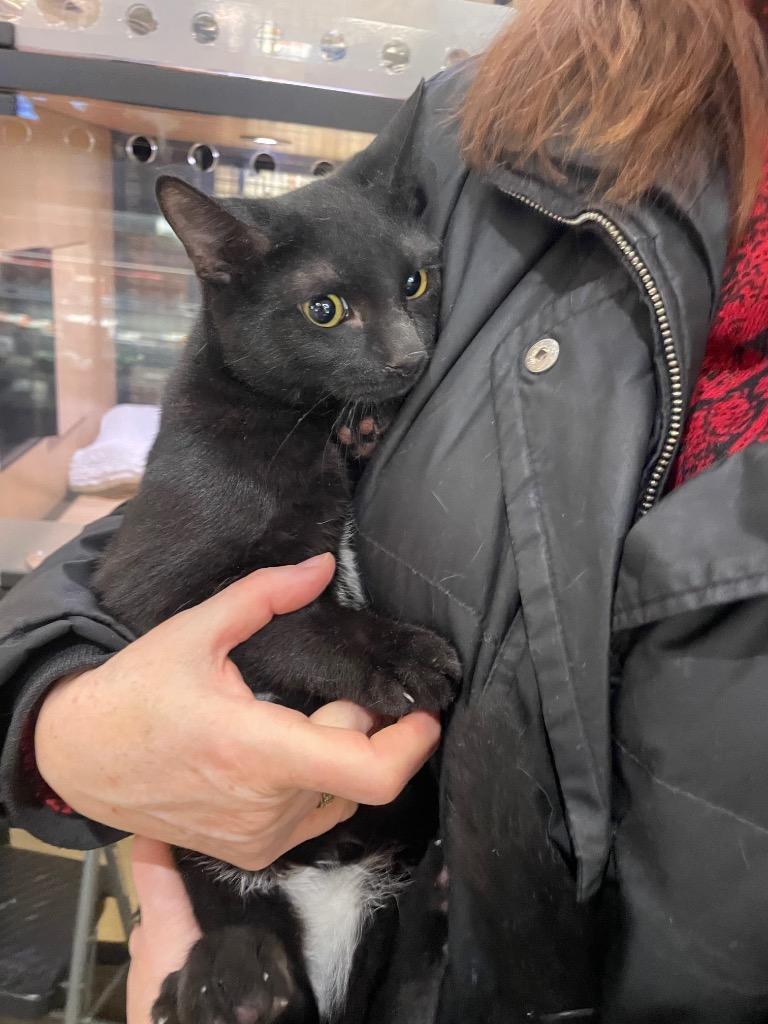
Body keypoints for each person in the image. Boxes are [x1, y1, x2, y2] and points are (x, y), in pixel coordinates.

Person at [2, 0, 768, 1020]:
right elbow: (140, 556)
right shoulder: (516, 119)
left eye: (416, 288)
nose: (408, 350)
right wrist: (65, 726)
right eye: (337, 311)